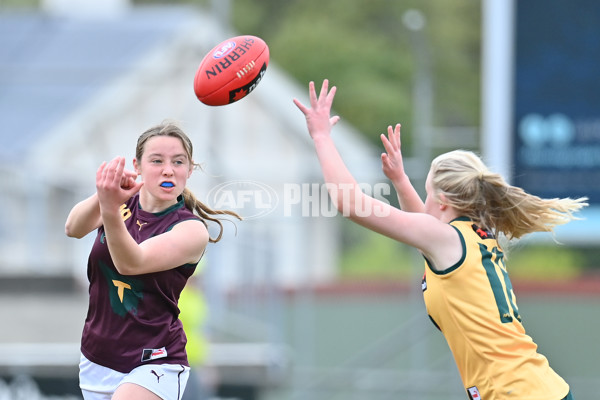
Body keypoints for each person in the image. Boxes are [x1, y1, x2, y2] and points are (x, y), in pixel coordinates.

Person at [294, 80, 586, 400]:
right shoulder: (471, 236)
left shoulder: (446, 240)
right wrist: (401, 181)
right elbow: (422, 231)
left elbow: (350, 203)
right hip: (535, 390)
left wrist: (321, 136)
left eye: (428, 191)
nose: (425, 200)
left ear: (444, 200)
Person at [65, 121, 241, 400]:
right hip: (97, 356)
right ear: (137, 166)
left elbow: (130, 263)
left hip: (156, 359)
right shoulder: (120, 203)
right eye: (157, 160)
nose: (168, 169)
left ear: (190, 170)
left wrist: (109, 207)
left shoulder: (190, 229)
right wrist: (104, 193)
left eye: (178, 162)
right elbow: (73, 228)